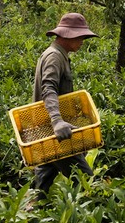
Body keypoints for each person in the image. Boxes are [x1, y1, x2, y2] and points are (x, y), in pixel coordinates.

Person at [32, 12, 98, 195]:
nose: (83, 40)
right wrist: (57, 120)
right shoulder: (54, 57)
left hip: (48, 129)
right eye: (81, 36)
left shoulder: (58, 55)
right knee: (84, 179)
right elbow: (49, 88)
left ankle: (36, 210)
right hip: (55, 131)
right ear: (68, 35)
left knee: (44, 178)